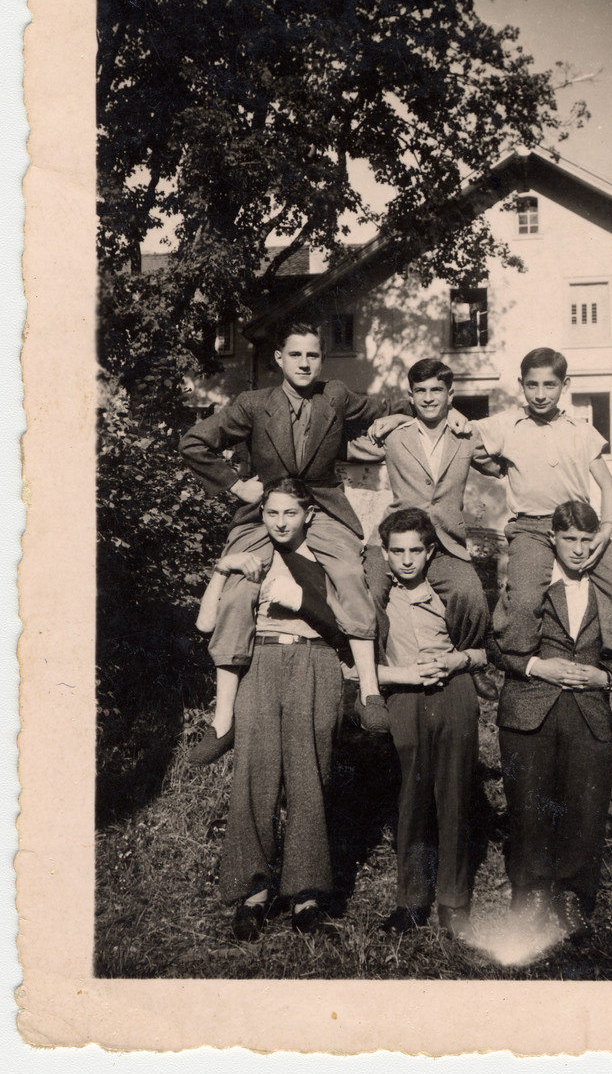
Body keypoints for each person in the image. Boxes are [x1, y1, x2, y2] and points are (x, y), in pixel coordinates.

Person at [180, 319, 413, 758]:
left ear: (320, 360)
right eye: (297, 355)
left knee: (347, 572)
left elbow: (386, 409)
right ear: (279, 358)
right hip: (264, 511)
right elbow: (194, 442)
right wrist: (235, 484)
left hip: (322, 508)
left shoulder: (335, 396)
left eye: (313, 355)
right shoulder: (252, 404)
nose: (306, 363)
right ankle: (223, 722)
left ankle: (369, 693)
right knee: (238, 589)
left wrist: (405, 416)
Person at [202, 478, 349, 941]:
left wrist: (306, 601)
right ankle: (253, 895)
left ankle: (306, 897)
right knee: (254, 776)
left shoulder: (330, 556)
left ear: (308, 514)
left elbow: (356, 622)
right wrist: (223, 569)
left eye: (290, 513)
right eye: (272, 513)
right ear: (262, 514)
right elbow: (207, 621)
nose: (280, 522)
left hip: (316, 661)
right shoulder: (252, 557)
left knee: (311, 776)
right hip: (261, 662)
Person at [491, 500, 612, 938]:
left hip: (589, 714)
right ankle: (532, 896)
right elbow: (496, 645)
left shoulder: (609, 591)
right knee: (529, 807)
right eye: (570, 540)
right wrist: (538, 666)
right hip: (528, 710)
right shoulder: (527, 586)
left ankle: (574, 898)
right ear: (552, 539)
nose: (578, 550)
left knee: (585, 810)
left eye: (586, 540)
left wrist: (606, 675)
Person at [474, 346, 612, 663]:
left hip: (580, 526)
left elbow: (609, 486)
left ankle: (600, 662)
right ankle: (519, 663)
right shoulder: (506, 424)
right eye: (532, 385)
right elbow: (462, 437)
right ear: (521, 383)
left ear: (564, 385)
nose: (540, 394)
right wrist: (495, 465)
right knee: (524, 603)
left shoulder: (581, 431)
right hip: (531, 528)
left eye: (549, 385)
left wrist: (605, 530)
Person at [375, 508, 486, 942]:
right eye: (397, 551)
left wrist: (458, 658)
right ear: (384, 553)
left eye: (415, 551)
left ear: (430, 551)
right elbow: (356, 665)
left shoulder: (451, 593)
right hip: (404, 700)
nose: (406, 560)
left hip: (453, 694)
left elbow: (482, 652)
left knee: (455, 797)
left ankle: (454, 904)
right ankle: (411, 903)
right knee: (411, 799)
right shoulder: (377, 600)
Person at [363, 357, 500, 661]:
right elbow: (344, 440)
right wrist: (397, 417)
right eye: (420, 391)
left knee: (471, 595)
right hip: (393, 541)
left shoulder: (467, 435)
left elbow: (502, 463)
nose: (428, 398)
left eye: (436, 390)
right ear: (410, 396)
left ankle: (469, 661)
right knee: (370, 591)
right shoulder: (393, 435)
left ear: (450, 395)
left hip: (444, 543)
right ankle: (377, 667)